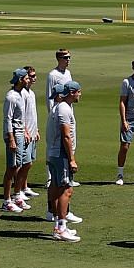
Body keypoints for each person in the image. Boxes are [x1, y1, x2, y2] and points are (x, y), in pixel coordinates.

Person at [46, 80, 83, 241]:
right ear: (72, 93)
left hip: (53, 153)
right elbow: (66, 135)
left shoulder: (58, 108)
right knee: (66, 189)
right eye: (79, 92)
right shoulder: (64, 109)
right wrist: (72, 159)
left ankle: (58, 224)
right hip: (61, 155)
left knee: (55, 187)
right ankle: (61, 228)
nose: (80, 94)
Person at [46, 48, 77, 191]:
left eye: (69, 57)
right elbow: (50, 97)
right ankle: (51, 177)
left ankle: (69, 175)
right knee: (56, 144)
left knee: (71, 141)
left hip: (68, 111)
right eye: (66, 57)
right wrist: (53, 114)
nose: (68, 60)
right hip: (58, 114)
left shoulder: (68, 73)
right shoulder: (53, 75)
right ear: (59, 58)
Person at [3, 69, 33, 213]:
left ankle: (16, 196)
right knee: (12, 167)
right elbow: (8, 119)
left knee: (19, 165)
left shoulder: (22, 94)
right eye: (27, 78)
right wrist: (11, 139)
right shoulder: (11, 97)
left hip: (20, 132)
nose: (29, 80)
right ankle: (7, 201)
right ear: (21, 79)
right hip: (14, 133)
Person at [16, 61, 41, 213]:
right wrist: (25, 131)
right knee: (24, 163)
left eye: (34, 76)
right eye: (30, 76)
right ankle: (18, 190)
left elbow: (33, 114)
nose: (33, 78)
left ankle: (24, 187)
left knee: (29, 162)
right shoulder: (22, 94)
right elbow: (22, 115)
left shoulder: (31, 93)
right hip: (26, 132)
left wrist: (35, 129)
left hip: (32, 131)